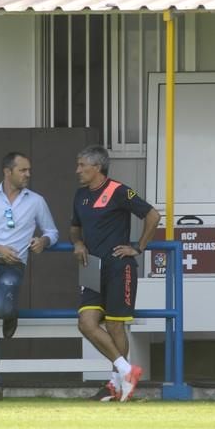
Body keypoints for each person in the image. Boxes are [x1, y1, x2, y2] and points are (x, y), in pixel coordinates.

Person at [70, 145, 161, 402]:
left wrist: (138, 247)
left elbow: (153, 215)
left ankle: (117, 385)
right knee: (86, 323)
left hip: (120, 268)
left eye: (81, 165)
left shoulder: (120, 191)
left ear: (96, 167)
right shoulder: (80, 196)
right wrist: (77, 243)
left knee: (114, 325)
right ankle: (125, 371)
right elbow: (74, 228)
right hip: (92, 267)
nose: (77, 170)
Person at [0, 152, 59, 400]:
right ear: (8, 172)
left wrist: (44, 240)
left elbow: (52, 230)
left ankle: (10, 313)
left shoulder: (36, 201)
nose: (28, 174)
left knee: (0, 307)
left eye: (29, 170)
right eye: (23, 170)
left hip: (12, 266)